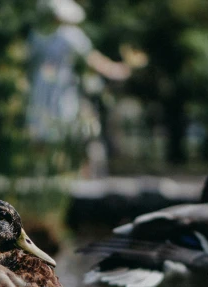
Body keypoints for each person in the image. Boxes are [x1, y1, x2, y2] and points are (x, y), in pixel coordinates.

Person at [26, 0, 136, 175]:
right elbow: (92, 59)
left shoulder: (37, 35)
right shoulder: (71, 34)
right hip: (60, 88)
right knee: (68, 129)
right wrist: (117, 70)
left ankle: (42, 172)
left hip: (41, 86)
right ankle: (68, 172)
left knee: (42, 128)